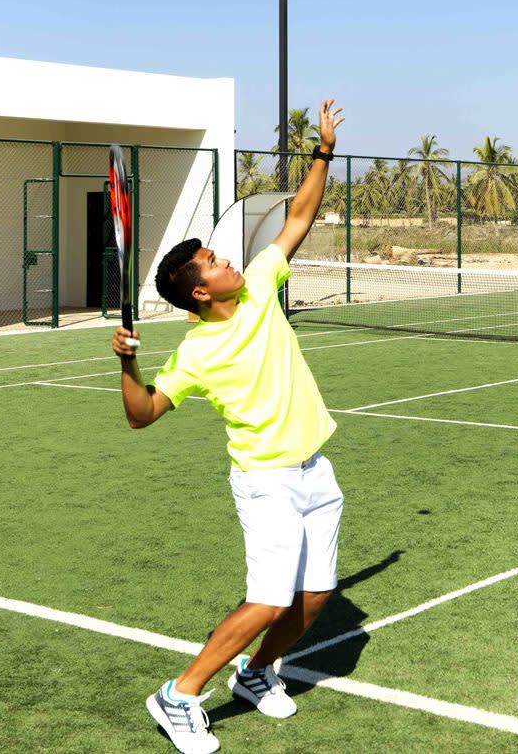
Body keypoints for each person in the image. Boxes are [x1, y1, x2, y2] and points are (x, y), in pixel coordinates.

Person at [115, 99, 345, 754]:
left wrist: (322, 150)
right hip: (265, 482)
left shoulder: (261, 281)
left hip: (315, 470)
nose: (229, 262)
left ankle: (254, 672)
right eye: (216, 262)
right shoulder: (193, 355)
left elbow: (299, 215)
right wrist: (127, 367)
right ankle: (179, 695)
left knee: (316, 597)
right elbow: (143, 415)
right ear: (199, 291)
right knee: (268, 601)